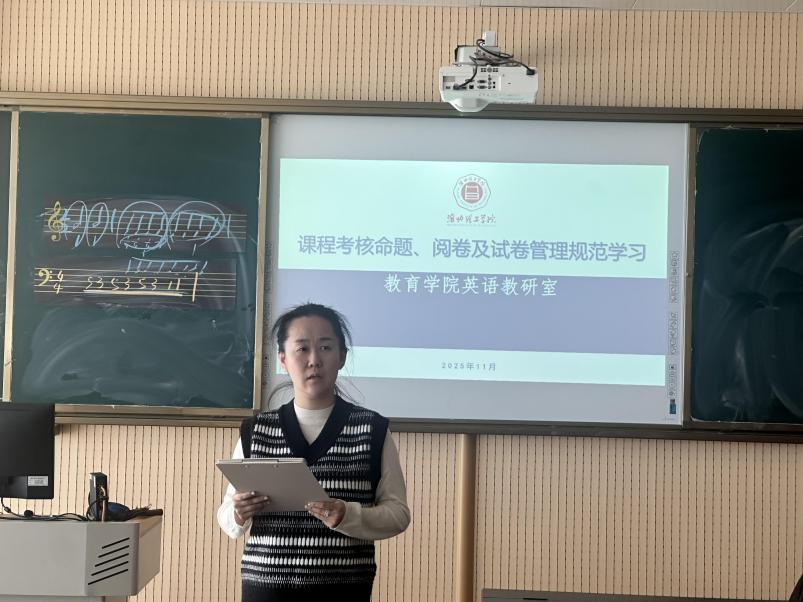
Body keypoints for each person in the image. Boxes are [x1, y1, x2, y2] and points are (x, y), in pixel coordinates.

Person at [217, 303, 410, 602]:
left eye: (325, 347)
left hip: (344, 590)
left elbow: (398, 515)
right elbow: (227, 518)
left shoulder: (371, 430)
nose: (314, 360)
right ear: (283, 359)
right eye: (302, 348)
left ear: (342, 357)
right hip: (266, 589)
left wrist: (349, 515)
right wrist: (238, 512)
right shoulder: (256, 431)